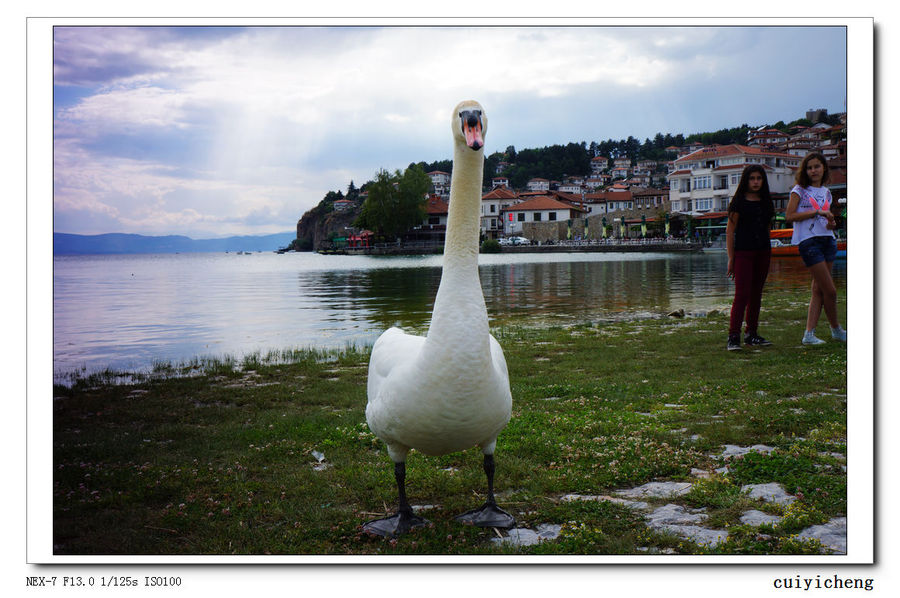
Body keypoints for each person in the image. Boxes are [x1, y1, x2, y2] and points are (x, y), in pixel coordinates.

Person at [786, 152, 846, 345]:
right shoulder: (799, 190)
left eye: (817, 166)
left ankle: (809, 334)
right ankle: (836, 329)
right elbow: (790, 216)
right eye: (810, 167)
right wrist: (816, 212)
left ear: (823, 168)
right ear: (806, 170)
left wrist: (831, 224)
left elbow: (826, 220)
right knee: (831, 290)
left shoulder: (827, 192)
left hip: (828, 240)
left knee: (818, 290)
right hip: (809, 241)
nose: (813, 170)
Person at [726, 165, 775, 350]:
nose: (755, 182)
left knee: (756, 294)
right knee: (742, 295)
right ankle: (733, 337)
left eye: (759, 178)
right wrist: (731, 258)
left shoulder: (766, 202)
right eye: (752, 178)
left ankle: (751, 334)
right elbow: (730, 232)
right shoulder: (738, 203)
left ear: (763, 181)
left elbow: (767, 228)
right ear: (746, 180)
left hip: (763, 252)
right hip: (743, 253)